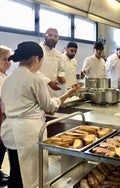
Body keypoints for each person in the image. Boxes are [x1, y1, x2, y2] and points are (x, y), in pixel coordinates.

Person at [0, 41, 80, 188]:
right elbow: (50, 107)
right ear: (36, 58)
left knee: (16, 171)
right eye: (41, 61)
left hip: (9, 130)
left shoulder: (8, 79)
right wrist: (68, 94)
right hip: (27, 132)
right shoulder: (35, 79)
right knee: (29, 175)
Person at [39, 28, 66, 97]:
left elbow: (61, 70)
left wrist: (61, 76)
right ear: (44, 36)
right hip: (39, 88)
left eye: (55, 36)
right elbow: (33, 71)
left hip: (53, 91)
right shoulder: (37, 50)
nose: (53, 38)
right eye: (50, 35)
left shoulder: (58, 54)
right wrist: (48, 82)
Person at [0, 46, 12, 186]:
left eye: (9, 59)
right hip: (2, 114)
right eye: (4, 59)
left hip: (5, 116)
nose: (8, 62)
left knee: (2, 145)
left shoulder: (5, 75)